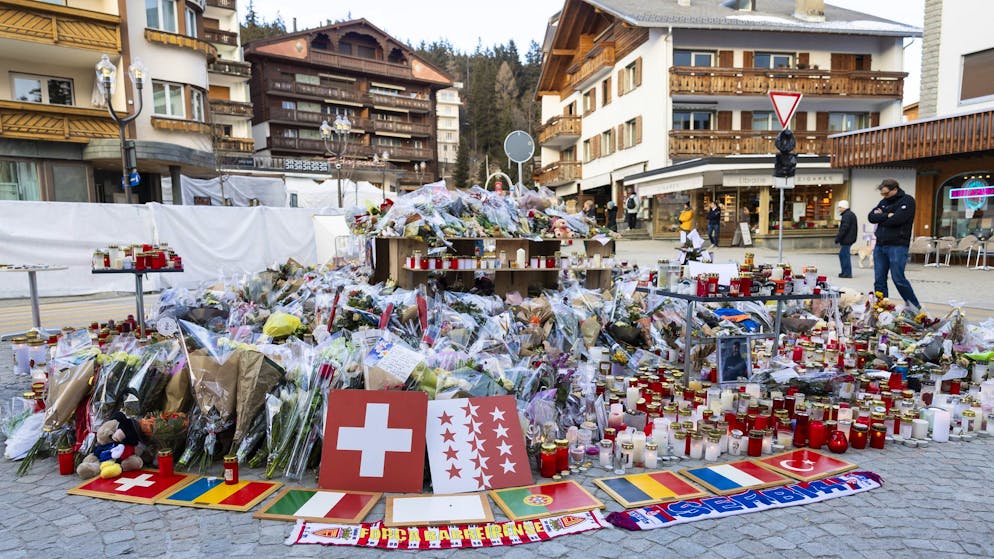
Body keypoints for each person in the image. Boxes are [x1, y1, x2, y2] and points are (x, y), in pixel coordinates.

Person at [868, 178, 921, 310]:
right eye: (882, 194)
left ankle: (914, 307)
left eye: (886, 193)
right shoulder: (883, 202)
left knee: (898, 278)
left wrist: (883, 216)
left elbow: (898, 220)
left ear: (895, 189)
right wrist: (888, 215)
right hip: (880, 245)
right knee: (879, 279)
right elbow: (871, 217)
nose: (884, 196)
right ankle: (881, 308)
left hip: (898, 245)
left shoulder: (907, 200)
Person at [834, 200, 858, 278]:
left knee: (844, 255)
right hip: (849, 238)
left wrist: (838, 237)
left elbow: (844, 228)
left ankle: (847, 273)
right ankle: (845, 272)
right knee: (843, 255)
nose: (839, 209)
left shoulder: (846, 215)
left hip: (847, 239)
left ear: (844, 207)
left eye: (840, 207)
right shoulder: (850, 214)